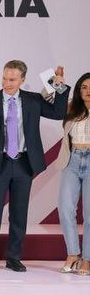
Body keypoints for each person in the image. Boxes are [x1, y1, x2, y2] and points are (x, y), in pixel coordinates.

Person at [0, 61, 69, 272]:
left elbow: (59, 112)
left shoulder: (33, 100)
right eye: (4, 78)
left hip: (24, 163)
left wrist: (59, 85)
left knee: (19, 213)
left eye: (12, 80)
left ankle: (14, 258)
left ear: (22, 80)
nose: (7, 83)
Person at [55, 72, 90, 275]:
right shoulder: (71, 107)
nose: (87, 91)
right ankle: (73, 254)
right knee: (66, 209)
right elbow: (49, 97)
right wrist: (57, 82)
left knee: (89, 214)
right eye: (84, 87)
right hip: (72, 160)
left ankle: (87, 259)